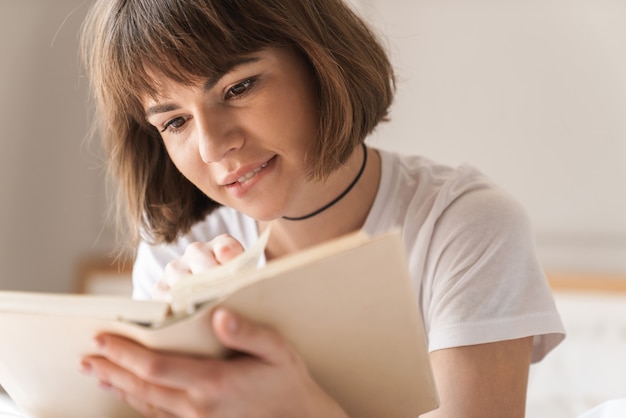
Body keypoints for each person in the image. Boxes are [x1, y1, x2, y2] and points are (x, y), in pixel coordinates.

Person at [78, 0, 565, 416]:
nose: (211, 147)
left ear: (320, 60)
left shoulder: (463, 227)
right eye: (176, 122)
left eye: (238, 88)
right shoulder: (177, 251)